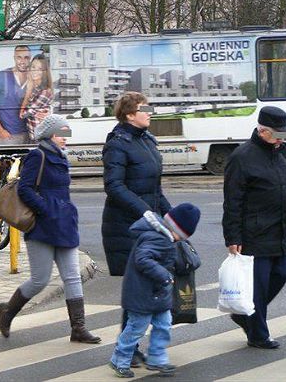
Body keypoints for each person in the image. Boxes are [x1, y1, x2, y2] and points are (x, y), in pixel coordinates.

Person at [0, 115, 100, 343]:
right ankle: (8, 312)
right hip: (43, 226)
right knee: (40, 279)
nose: (65, 138)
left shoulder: (62, 157)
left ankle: (78, 328)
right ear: (50, 135)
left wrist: (63, 212)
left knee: (72, 277)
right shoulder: (38, 156)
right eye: (61, 133)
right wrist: (46, 209)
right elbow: (24, 189)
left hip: (64, 225)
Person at [101, 91, 172, 366]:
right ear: (130, 114)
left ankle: (130, 347)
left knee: (142, 288)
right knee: (138, 288)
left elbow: (155, 188)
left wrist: (171, 217)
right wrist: (146, 212)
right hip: (127, 226)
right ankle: (127, 350)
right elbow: (114, 187)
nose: (150, 112)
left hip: (149, 224)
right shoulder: (118, 143)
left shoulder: (147, 140)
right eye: (145, 108)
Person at [110, 203, 200, 378]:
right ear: (176, 230)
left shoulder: (163, 236)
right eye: (180, 236)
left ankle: (157, 358)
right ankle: (119, 359)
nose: (179, 240)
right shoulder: (157, 238)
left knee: (164, 324)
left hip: (158, 294)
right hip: (142, 294)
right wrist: (164, 276)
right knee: (136, 328)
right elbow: (142, 259)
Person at [223, 106, 286, 349]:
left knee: (281, 273)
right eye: (279, 134)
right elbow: (232, 201)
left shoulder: (282, 151)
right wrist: (233, 236)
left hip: (281, 230)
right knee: (257, 287)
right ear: (263, 131)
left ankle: (243, 314)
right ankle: (258, 334)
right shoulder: (242, 157)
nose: (283, 138)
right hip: (255, 233)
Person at [0, 45, 31, 145]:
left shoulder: (33, 77)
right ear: (14, 58)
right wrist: (0, 130)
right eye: (19, 57)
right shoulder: (2, 76)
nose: (22, 61)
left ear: (30, 59)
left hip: (30, 135)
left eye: (26, 57)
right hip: (9, 137)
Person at [19, 54, 53, 141]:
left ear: (45, 72)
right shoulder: (35, 88)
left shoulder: (45, 91)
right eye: (33, 67)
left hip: (41, 139)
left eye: (40, 69)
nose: (35, 71)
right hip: (33, 136)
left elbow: (23, 114)